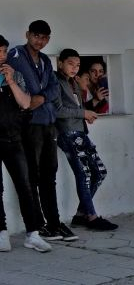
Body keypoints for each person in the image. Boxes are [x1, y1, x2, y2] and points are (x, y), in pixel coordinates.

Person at [8, 20, 77, 241]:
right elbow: (17, 88)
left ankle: (54, 223)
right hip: (28, 124)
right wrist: (32, 98)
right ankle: (37, 226)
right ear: (28, 34)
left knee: (49, 176)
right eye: (36, 36)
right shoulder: (16, 56)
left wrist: (40, 97)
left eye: (45, 37)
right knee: (32, 177)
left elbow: (54, 88)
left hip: (48, 123)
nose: (40, 41)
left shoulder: (47, 60)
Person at [54, 49, 117, 231]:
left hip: (81, 132)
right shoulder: (56, 82)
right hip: (68, 133)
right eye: (70, 64)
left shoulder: (74, 82)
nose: (74, 68)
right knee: (86, 174)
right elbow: (58, 110)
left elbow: (78, 108)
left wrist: (87, 113)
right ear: (60, 63)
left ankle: (81, 214)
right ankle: (91, 216)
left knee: (100, 172)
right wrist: (83, 113)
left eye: (78, 65)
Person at [0, 35, 52, 253]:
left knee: (25, 185)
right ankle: (2, 233)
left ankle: (33, 234)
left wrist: (11, 81)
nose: (2, 56)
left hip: (13, 138)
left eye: (4, 51)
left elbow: (25, 103)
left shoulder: (14, 75)